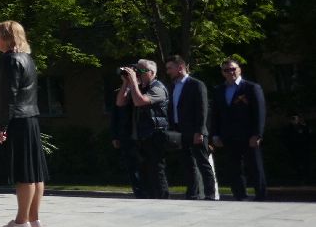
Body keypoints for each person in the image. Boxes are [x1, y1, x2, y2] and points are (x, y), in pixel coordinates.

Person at [0, 21, 49, 227]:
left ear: (6, 38)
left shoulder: (9, 60)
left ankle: (21, 221)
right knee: (35, 171)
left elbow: (8, 96)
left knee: (24, 171)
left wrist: (1, 126)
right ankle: (34, 218)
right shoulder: (27, 59)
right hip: (30, 117)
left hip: (18, 119)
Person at [211, 58, 267, 200]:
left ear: (239, 69)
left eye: (233, 69)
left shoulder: (251, 88)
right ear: (222, 73)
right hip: (228, 136)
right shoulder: (219, 90)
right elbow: (216, 114)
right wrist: (215, 135)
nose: (230, 72)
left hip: (249, 136)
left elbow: (259, 112)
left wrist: (257, 134)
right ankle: (240, 196)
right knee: (233, 169)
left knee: (255, 167)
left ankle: (261, 196)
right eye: (226, 70)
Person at [113, 60, 169, 198]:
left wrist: (132, 82)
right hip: (141, 137)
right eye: (137, 70)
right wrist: (126, 82)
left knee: (157, 171)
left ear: (152, 73)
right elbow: (120, 102)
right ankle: (148, 200)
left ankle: (163, 200)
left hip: (155, 136)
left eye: (141, 71)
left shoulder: (158, 88)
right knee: (144, 172)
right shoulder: (139, 87)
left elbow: (139, 101)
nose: (138, 74)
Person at [165, 55, 217, 200]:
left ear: (180, 68)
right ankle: (193, 194)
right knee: (188, 164)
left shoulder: (196, 84)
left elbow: (202, 110)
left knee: (203, 163)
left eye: (170, 68)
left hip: (195, 131)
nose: (168, 71)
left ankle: (210, 194)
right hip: (180, 131)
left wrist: (199, 131)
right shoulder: (173, 86)